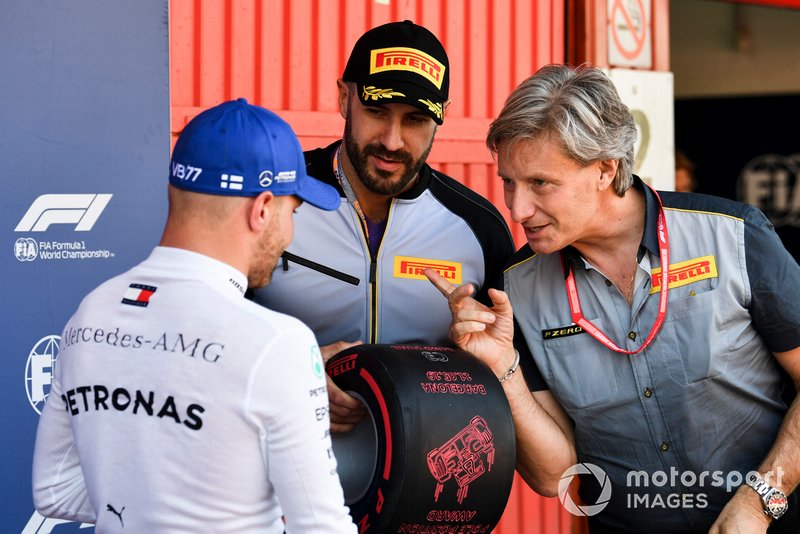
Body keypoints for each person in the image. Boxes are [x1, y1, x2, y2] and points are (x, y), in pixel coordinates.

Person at [425, 64, 800, 533]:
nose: (517, 209)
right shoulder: (514, 288)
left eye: (540, 184)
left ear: (606, 169)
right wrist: (504, 369)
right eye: (509, 182)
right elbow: (553, 476)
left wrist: (760, 501)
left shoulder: (733, 237)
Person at [32, 99, 357, 533]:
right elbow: (321, 527)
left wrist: (160, 501)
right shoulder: (279, 343)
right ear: (262, 209)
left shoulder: (91, 312)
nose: (290, 234)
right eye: (292, 212)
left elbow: (53, 489)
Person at [251, 20, 515, 431]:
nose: (392, 141)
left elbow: (516, 384)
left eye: (414, 119)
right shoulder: (271, 195)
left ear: (441, 117)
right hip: (277, 478)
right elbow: (194, 333)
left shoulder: (480, 229)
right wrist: (284, 371)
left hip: (417, 482)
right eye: (376, 111)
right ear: (344, 98)